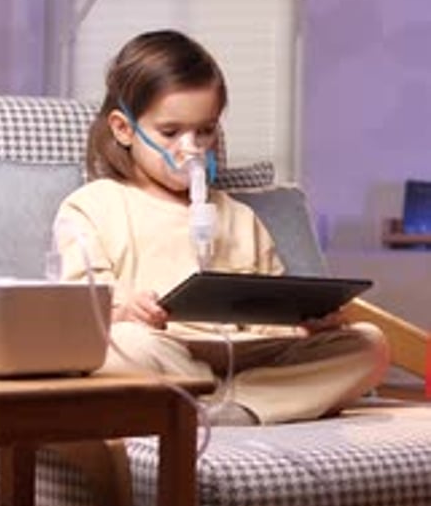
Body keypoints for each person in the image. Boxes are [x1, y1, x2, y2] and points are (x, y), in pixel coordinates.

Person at [54, 29, 389, 425]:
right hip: (162, 350)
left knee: (369, 344)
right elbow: (79, 316)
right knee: (120, 347)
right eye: (171, 132)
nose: (192, 148)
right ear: (124, 129)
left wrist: (305, 329)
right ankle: (236, 400)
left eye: (205, 130)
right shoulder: (93, 207)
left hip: (243, 357)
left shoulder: (239, 218)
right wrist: (124, 311)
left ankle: (229, 408)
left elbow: (268, 321)